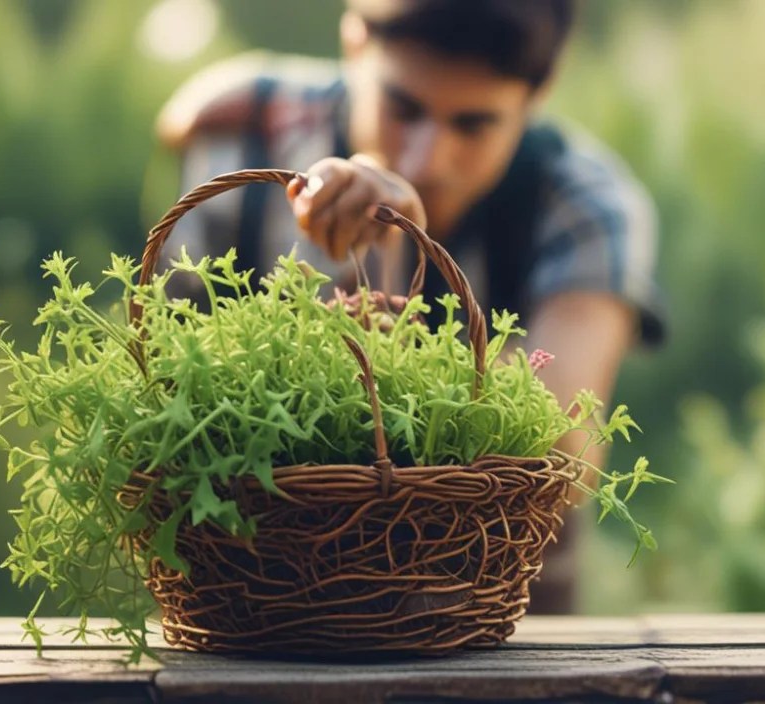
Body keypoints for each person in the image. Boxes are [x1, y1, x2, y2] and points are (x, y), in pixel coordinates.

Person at [154, 0, 665, 613]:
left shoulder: (585, 203)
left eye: (473, 125)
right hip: (254, 607)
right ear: (353, 43)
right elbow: (166, 384)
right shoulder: (248, 136)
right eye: (403, 109)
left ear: (540, 90)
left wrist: (399, 244)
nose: (426, 160)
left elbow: (561, 458)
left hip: (500, 624)